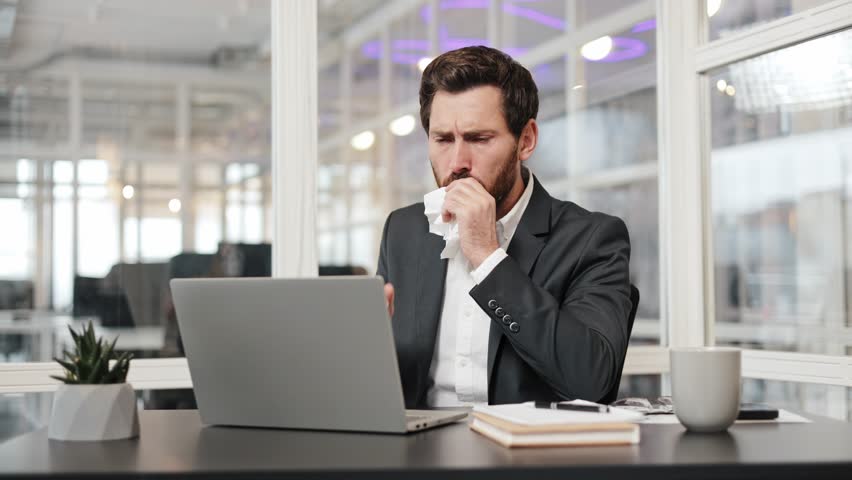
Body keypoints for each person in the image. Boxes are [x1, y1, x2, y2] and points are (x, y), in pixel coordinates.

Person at [376, 46, 632, 408]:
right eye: (443, 139)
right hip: (420, 440)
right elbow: (387, 380)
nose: (457, 162)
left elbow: (591, 381)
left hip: (525, 443)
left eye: (479, 139)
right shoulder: (403, 230)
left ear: (525, 140)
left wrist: (488, 257)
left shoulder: (591, 239)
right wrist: (368, 347)